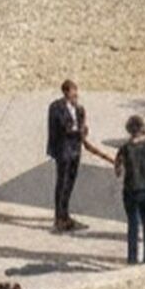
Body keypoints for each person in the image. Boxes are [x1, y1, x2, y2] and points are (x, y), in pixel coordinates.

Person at [46, 80, 113, 232]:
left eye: (76, 91)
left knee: (70, 182)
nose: (76, 94)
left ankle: (65, 214)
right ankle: (59, 217)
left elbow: (80, 125)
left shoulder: (78, 109)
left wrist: (83, 129)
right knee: (62, 182)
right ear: (66, 92)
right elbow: (64, 127)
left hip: (75, 149)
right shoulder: (56, 107)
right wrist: (78, 131)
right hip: (63, 150)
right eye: (73, 91)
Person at [114, 113, 145, 264]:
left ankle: (132, 257)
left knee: (133, 225)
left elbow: (118, 170)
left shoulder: (125, 148)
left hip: (132, 189)